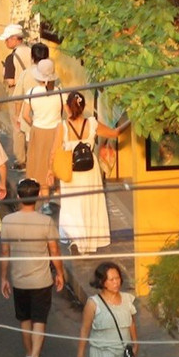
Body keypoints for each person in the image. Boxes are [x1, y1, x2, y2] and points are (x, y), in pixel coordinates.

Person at [0, 178, 64, 357]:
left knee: (25, 319)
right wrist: (60, 273)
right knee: (39, 319)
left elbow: (4, 253)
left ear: (18, 197)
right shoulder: (46, 222)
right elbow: (54, 252)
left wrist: (3, 278)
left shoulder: (8, 221)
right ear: (36, 198)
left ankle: (29, 355)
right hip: (42, 280)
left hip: (19, 280)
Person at [55, 91, 113, 253]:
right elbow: (115, 133)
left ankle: (76, 239)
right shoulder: (92, 123)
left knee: (72, 204)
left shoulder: (63, 127)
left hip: (70, 168)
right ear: (83, 106)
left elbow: (55, 152)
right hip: (90, 168)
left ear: (67, 107)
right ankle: (88, 241)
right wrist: (128, 122)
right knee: (89, 202)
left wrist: (50, 172)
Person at [23, 59, 65, 193]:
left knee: (40, 170)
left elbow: (25, 115)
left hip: (38, 132)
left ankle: (44, 201)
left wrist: (34, 123)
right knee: (56, 168)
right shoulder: (60, 92)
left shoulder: (31, 93)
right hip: (57, 132)